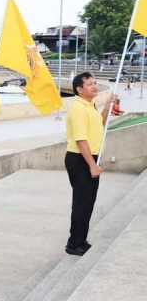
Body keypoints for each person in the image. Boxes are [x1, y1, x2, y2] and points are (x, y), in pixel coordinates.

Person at [65, 72, 114, 256]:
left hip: (88, 158)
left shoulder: (89, 105)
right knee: (82, 202)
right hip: (80, 159)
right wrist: (92, 165)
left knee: (87, 202)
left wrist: (107, 106)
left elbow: (98, 124)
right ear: (79, 89)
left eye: (95, 83)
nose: (94, 86)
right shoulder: (78, 108)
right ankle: (74, 244)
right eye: (90, 84)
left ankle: (80, 239)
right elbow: (80, 140)